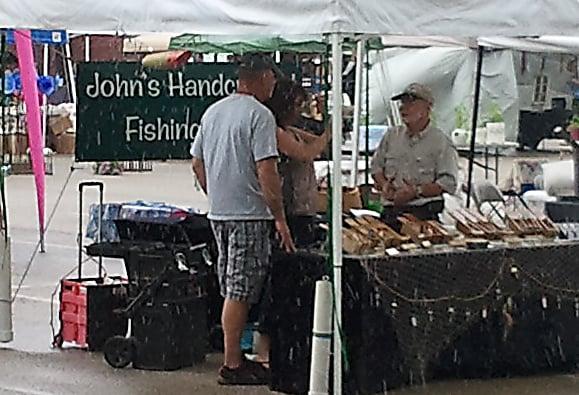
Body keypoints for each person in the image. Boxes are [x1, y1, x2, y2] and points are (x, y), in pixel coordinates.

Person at [191, 53, 296, 386]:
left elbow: (197, 163)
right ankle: (233, 363)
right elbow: (267, 169)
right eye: (273, 80)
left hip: (220, 213)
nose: (275, 86)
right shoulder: (260, 116)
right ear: (263, 77)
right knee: (240, 289)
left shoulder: (214, 111)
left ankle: (235, 355)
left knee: (231, 285)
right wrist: (279, 217)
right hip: (248, 215)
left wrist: (218, 193)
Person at [250, 79, 330, 368]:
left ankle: (287, 344)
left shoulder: (286, 129)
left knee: (293, 282)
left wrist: (316, 132)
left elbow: (310, 144)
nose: (300, 111)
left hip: (301, 211)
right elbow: (307, 153)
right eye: (297, 105)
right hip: (289, 213)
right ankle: (266, 347)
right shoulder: (271, 129)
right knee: (282, 281)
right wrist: (329, 133)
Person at [371, 83, 458, 230]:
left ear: (427, 108)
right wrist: (384, 184)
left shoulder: (440, 142)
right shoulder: (392, 136)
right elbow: (376, 168)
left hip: (423, 215)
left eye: (410, 103)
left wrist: (416, 191)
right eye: (402, 103)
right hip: (391, 214)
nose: (403, 108)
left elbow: (448, 183)